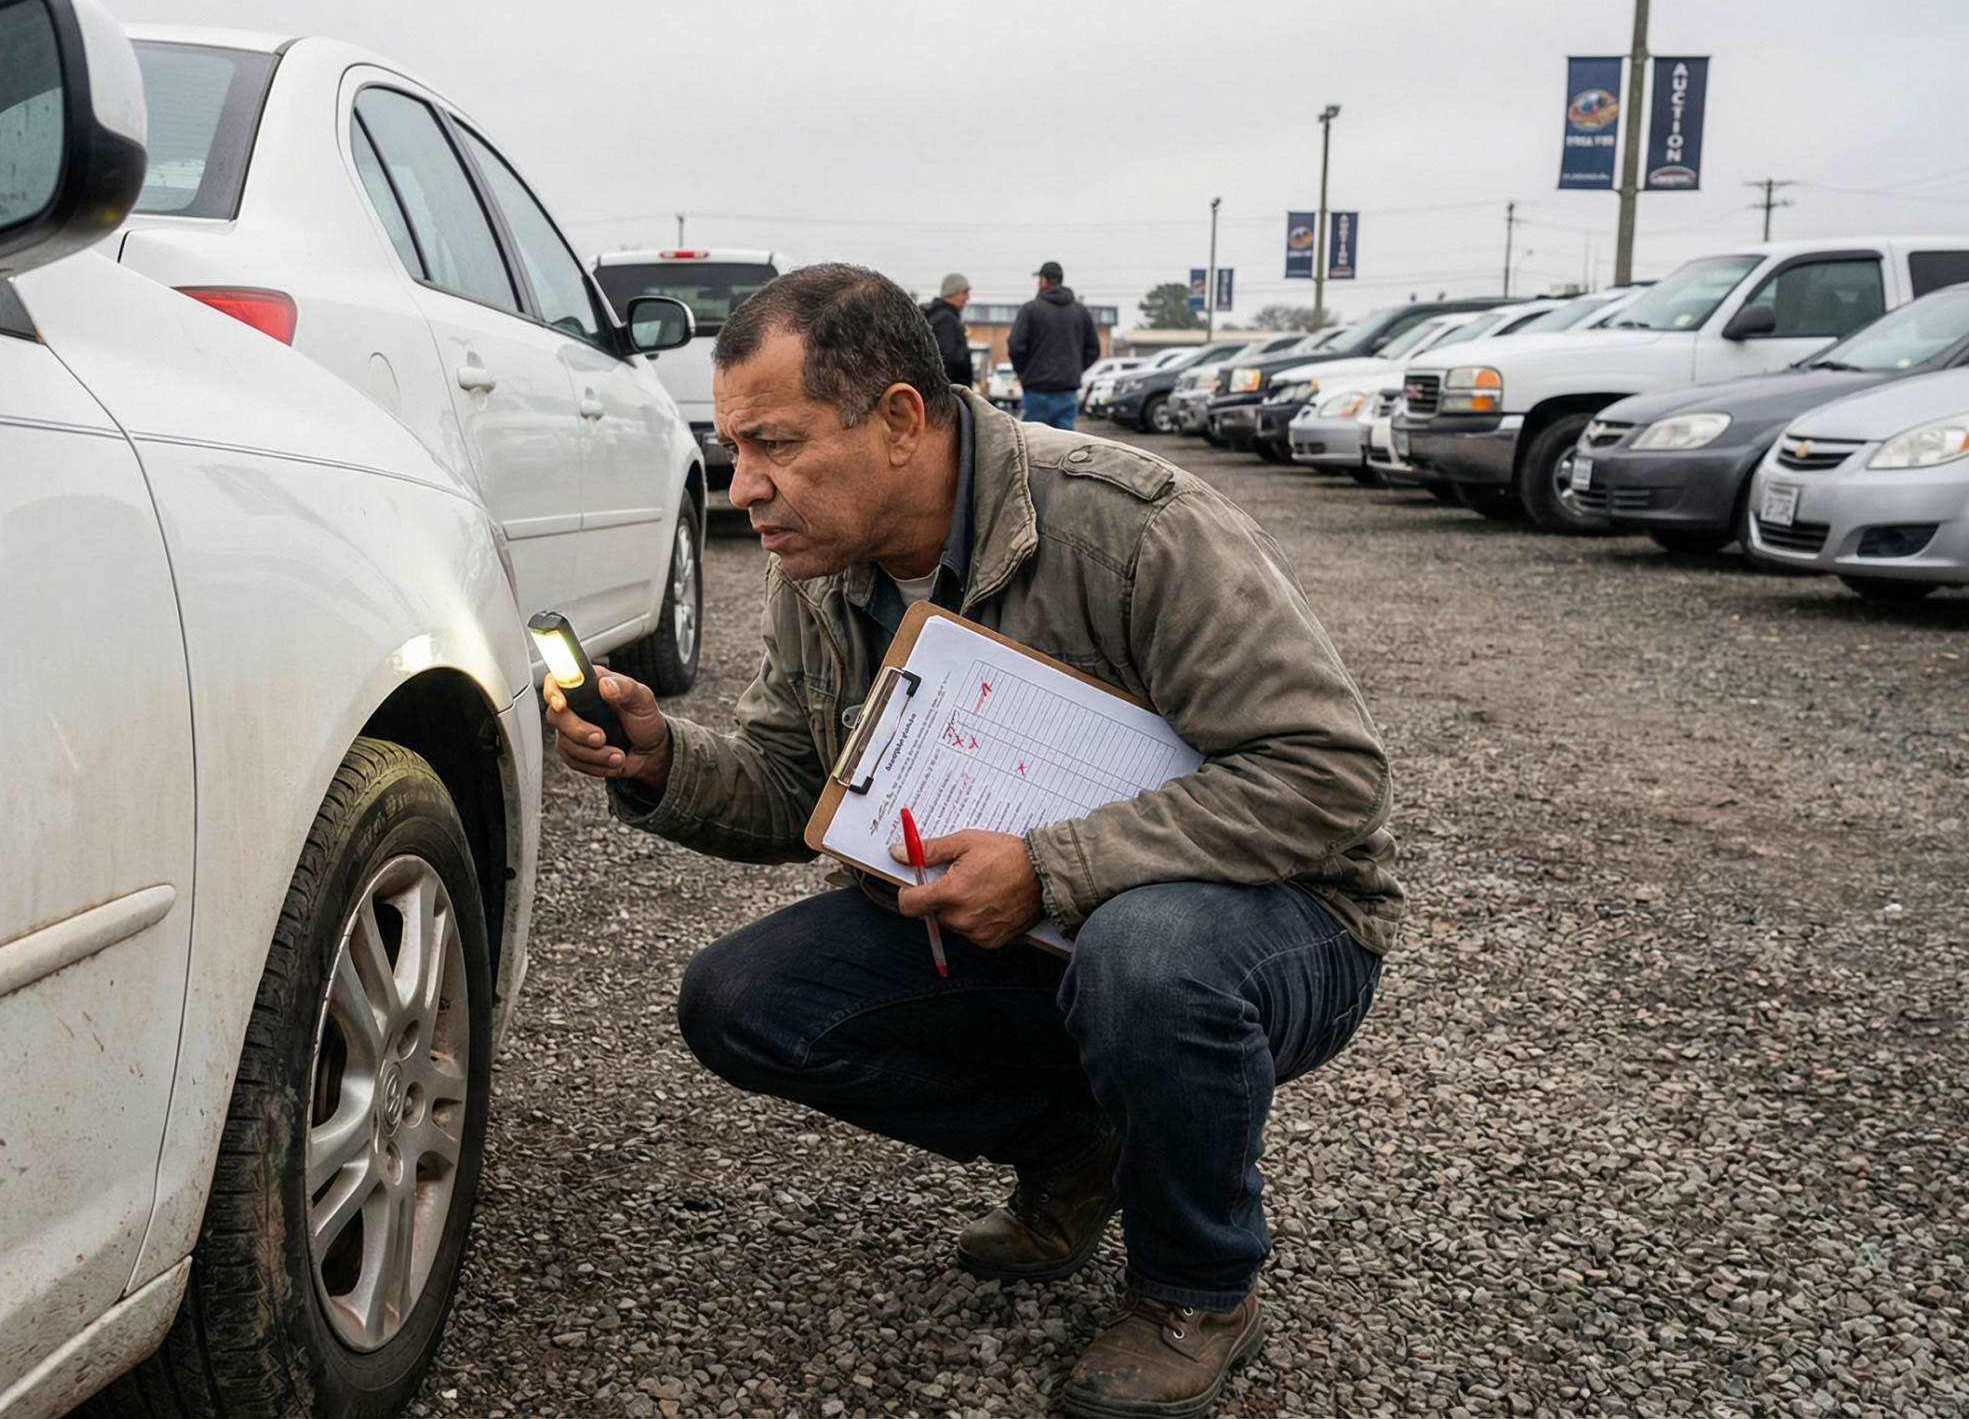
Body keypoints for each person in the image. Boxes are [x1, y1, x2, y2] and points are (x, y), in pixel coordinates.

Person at [543, 263, 1402, 1417]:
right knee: (740, 999)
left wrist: (1053, 868)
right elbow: (800, 785)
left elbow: (1325, 777)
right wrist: (660, 759)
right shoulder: (823, 566)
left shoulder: (1132, 530)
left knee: (1144, 954)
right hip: (1027, 929)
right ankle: (1081, 1145)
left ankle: (1196, 1287)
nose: (740, 486)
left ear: (899, 419)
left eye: (775, 445)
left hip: (1269, 923)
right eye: (732, 447)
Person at [1006, 260, 1098, 431]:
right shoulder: (1080, 312)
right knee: (1065, 447)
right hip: (1067, 390)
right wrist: (1075, 369)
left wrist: (1025, 372)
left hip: (1036, 390)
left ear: (1043, 281)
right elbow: (1093, 349)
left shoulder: (1030, 310)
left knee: (1034, 445)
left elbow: (1015, 346)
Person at [921, 272, 974, 387]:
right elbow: (947, 358)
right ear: (953, 292)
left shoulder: (939, 316)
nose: (967, 297)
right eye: (965, 293)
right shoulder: (946, 320)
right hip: (950, 390)